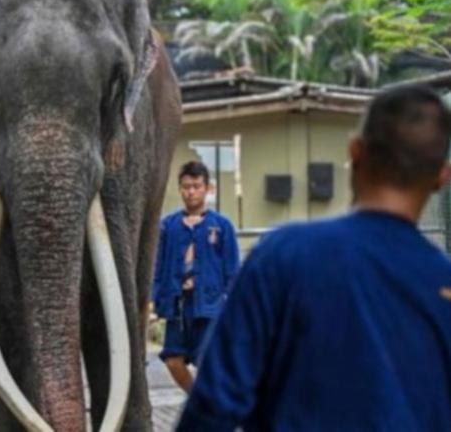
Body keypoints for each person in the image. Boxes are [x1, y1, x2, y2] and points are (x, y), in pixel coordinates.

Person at [178, 85, 451, 431]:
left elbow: (213, 405)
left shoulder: (283, 257)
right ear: (443, 176)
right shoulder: (443, 284)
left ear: (355, 151)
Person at [151, 161, 239, 393]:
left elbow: (232, 270)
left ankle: (217, 409)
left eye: (197, 186)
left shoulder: (222, 226)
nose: (191, 192)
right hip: (178, 304)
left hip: (210, 305)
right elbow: (158, 267)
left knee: (208, 361)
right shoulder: (168, 226)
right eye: (186, 186)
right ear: (180, 189)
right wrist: (156, 299)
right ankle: (198, 399)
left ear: (207, 189)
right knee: (172, 359)